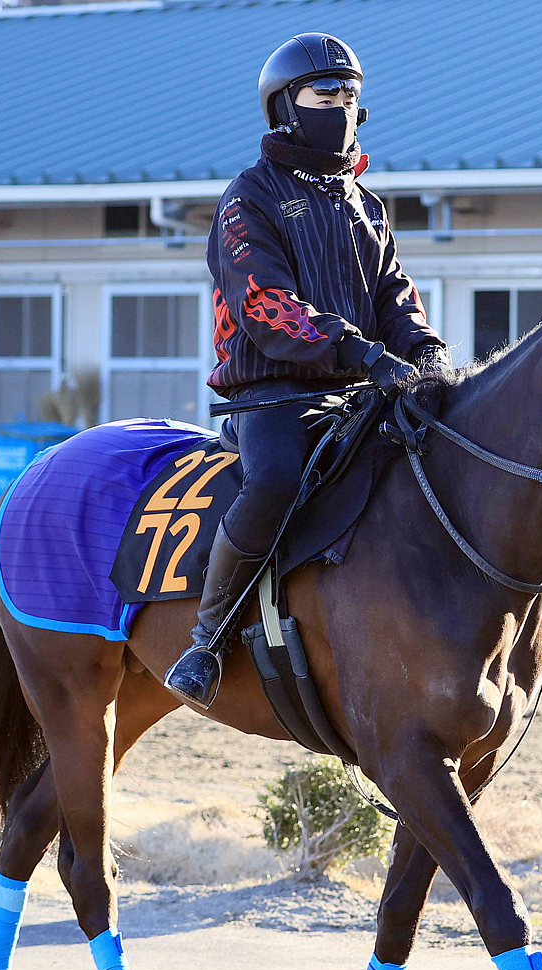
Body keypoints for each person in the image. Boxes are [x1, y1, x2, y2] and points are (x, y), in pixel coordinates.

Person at [165, 32, 450, 706]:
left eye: (351, 95)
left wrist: (425, 350)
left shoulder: (366, 205)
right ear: (286, 107)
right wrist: (357, 352)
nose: (343, 106)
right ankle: (206, 642)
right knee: (274, 482)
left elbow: (395, 295)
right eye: (327, 94)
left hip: (361, 387)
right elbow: (265, 304)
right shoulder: (248, 199)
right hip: (272, 391)